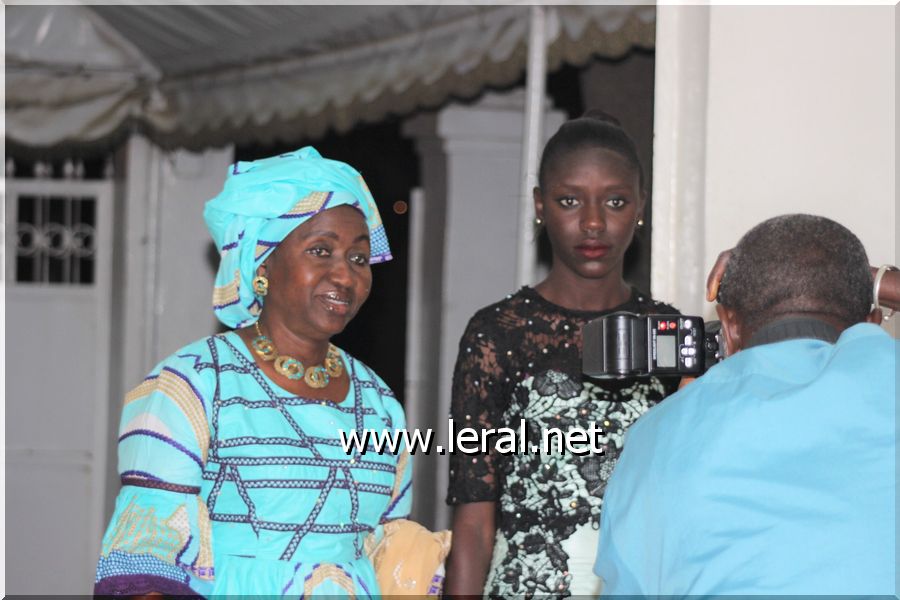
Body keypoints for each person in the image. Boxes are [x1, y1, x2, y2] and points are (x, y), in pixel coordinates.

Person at [94, 147, 413, 597]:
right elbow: (147, 558)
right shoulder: (195, 383)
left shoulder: (378, 402)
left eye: (358, 259)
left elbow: (390, 547)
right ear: (262, 265)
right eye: (321, 251)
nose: (345, 276)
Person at [594, 214, 897, 596]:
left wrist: (680, 415)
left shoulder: (657, 435)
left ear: (729, 326)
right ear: (871, 322)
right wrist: (877, 280)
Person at [444, 112, 680, 597]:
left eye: (615, 201)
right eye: (570, 200)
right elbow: (473, 519)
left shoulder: (670, 335)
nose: (593, 222)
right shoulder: (495, 335)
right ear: (540, 205)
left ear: (640, 207)